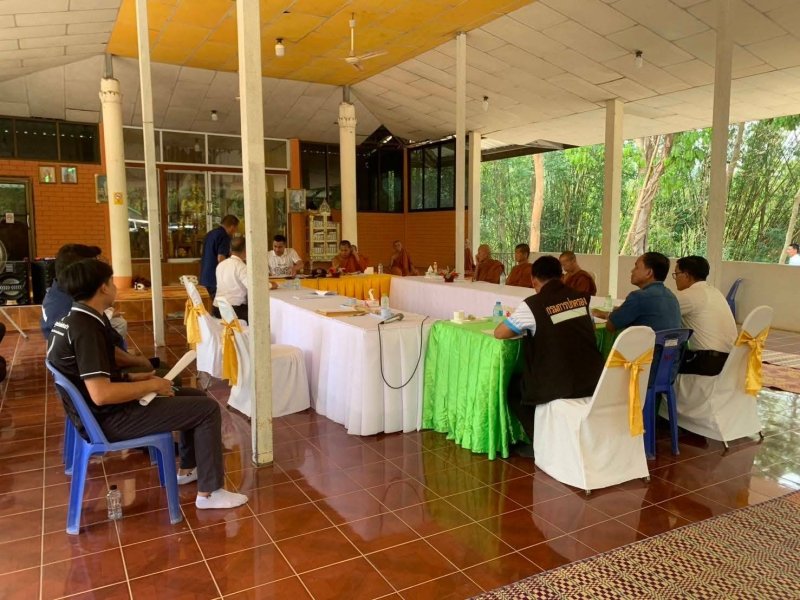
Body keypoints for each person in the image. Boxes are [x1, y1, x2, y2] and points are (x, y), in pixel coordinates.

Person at [48, 259, 248, 510]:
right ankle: (210, 493)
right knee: (207, 410)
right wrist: (152, 386)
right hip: (108, 419)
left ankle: (189, 469)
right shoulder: (86, 328)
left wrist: (135, 379)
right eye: (112, 282)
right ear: (103, 288)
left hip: (99, 413)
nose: (115, 287)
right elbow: (101, 394)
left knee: (195, 396)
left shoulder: (73, 319)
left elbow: (89, 377)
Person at [494, 256, 604, 457]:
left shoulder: (533, 305)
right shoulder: (581, 299)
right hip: (593, 378)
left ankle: (541, 444)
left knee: (515, 387)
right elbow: (592, 326)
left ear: (533, 280)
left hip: (558, 383)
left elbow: (500, 333)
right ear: (562, 277)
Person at [42, 244, 128, 342]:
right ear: (78, 271)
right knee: (119, 324)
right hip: (71, 343)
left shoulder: (61, 291)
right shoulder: (69, 306)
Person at [674, 256, 737, 376]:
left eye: (676, 274)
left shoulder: (688, 295)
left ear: (686, 275)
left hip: (708, 363)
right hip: (731, 361)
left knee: (661, 365)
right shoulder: (715, 292)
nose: (675, 279)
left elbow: (661, 313)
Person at [592, 252, 681, 335]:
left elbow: (610, 326)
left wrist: (616, 313)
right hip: (671, 347)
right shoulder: (672, 297)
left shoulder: (638, 297)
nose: (632, 271)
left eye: (636, 267)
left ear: (649, 273)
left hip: (645, 347)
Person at [200, 215, 239, 299]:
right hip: (215, 278)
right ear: (232, 226)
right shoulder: (224, 236)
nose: (235, 231)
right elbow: (221, 258)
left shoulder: (211, 233)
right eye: (236, 228)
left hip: (206, 276)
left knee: (217, 302)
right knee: (223, 303)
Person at [214, 237, 249, 322]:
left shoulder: (221, 265)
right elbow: (252, 286)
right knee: (262, 315)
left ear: (230, 249)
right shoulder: (242, 267)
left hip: (218, 309)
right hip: (234, 311)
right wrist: (270, 285)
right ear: (246, 250)